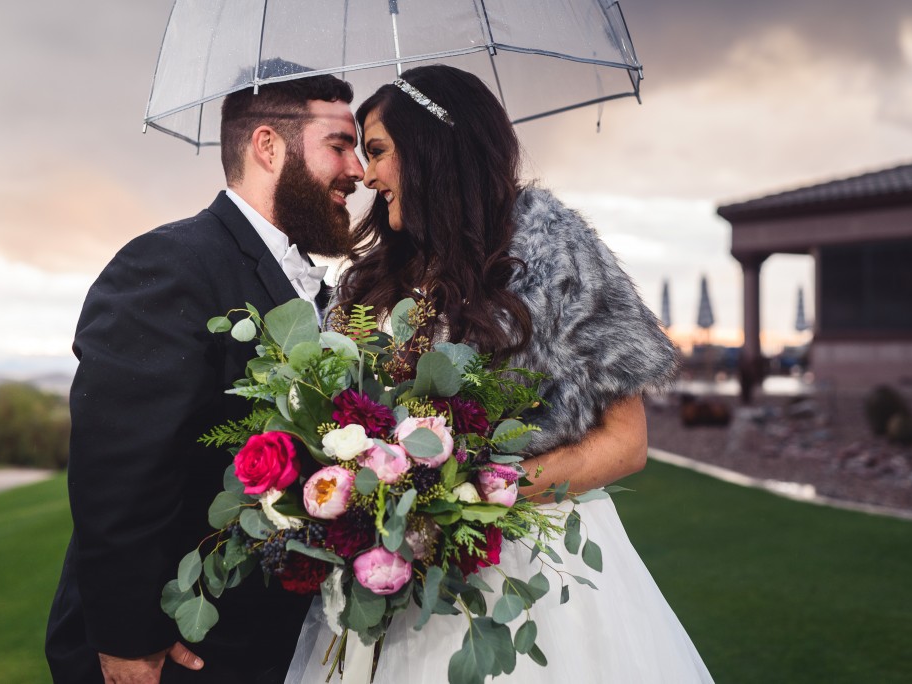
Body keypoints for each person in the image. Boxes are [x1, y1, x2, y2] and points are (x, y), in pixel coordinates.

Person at [285, 65, 714, 682]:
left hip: (529, 565)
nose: (366, 175)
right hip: (392, 571)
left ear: (432, 148)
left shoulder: (552, 259)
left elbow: (628, 441)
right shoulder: (364, 286)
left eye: (378, 151)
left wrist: (476, 499)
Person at [45, 72, 365, 684]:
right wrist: (127, 638)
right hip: (172, 649)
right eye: (338, 145)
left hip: (258, 641)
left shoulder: (313, 288)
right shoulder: (171, 263)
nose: (357, 170)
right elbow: (119, 466)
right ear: (268, 146)